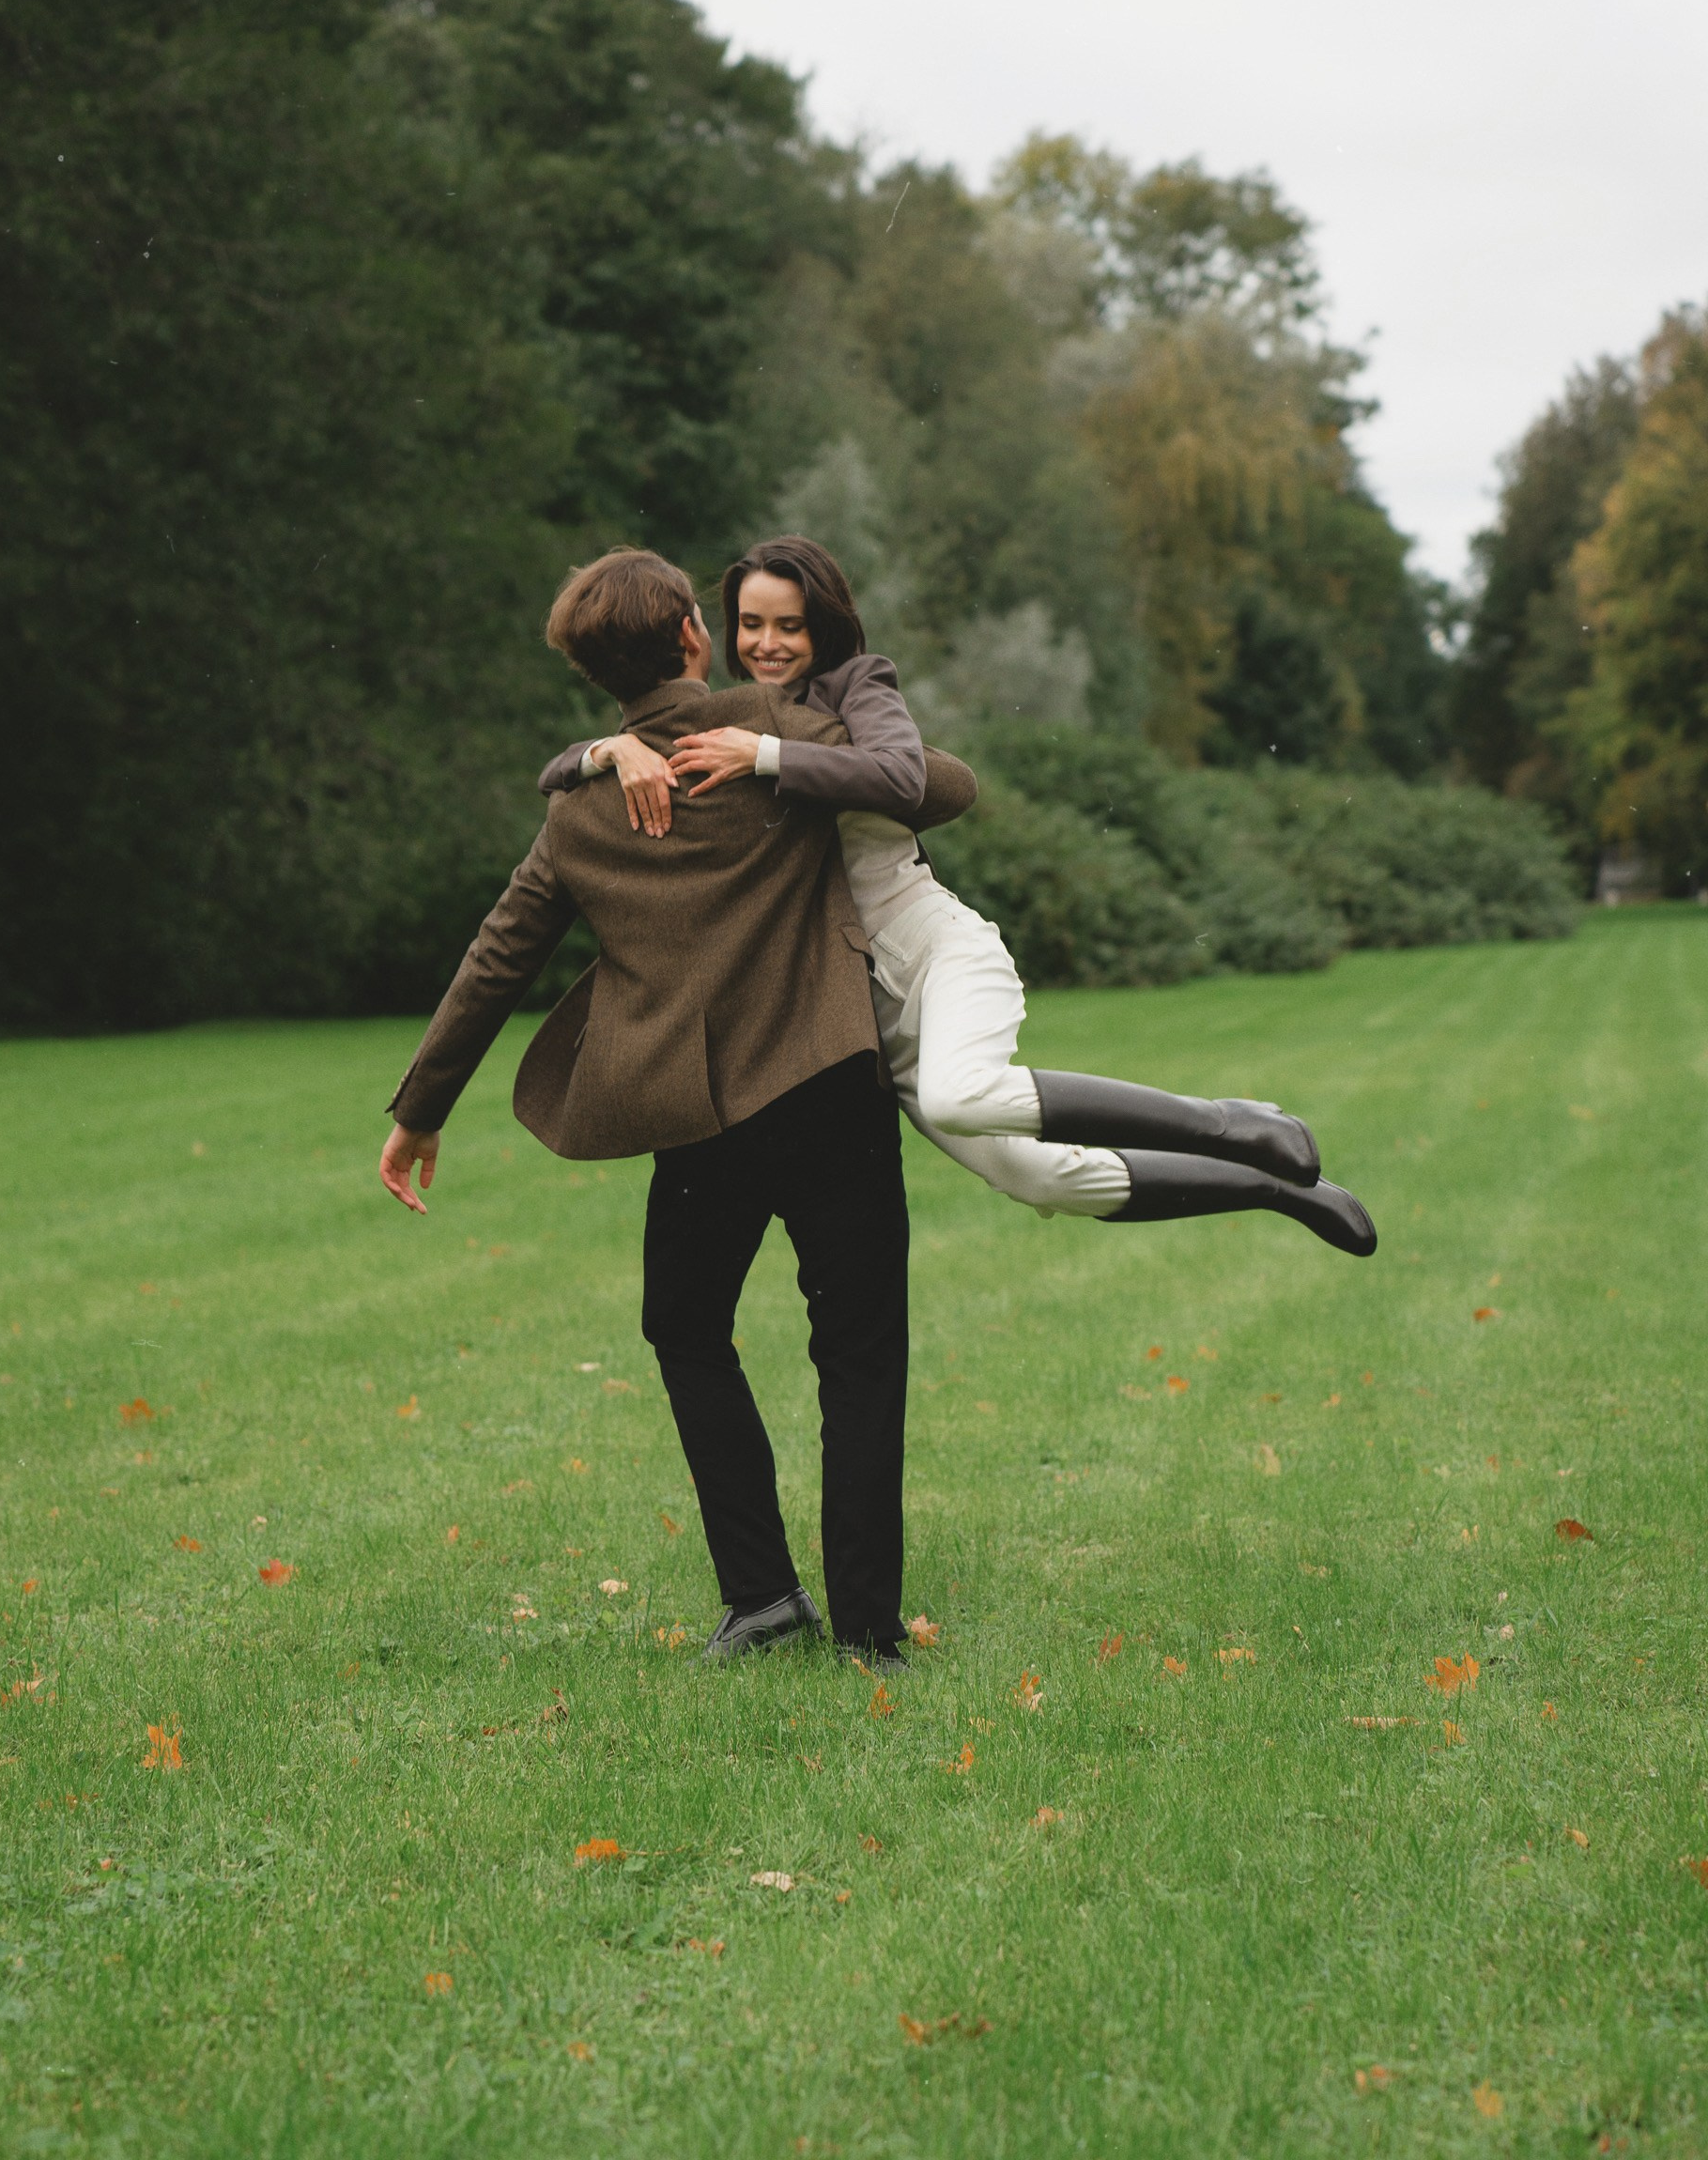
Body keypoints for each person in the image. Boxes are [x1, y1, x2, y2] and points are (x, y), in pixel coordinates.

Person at [379, 548, 976, 1673]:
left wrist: (421, 1108)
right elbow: (939, 786)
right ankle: (865, 1631)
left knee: (686, 1329)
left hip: (703, 1121)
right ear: (696, 637)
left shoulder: (582, 805)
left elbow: (499, 955)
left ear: (593, 669)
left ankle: (758, 1595)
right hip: (825, 1085)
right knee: (857, 1353)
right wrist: (777, 752)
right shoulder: (780, 723)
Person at [539, 535, 1376, 1257]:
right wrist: (603, 753)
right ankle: (1273, 1190)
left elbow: (908, 775)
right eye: (750, 624)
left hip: (934, 950)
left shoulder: (855, 689)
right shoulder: (721, 719)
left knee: (960, 1094)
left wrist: (768, 757)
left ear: (822, 624)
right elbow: (567, 772)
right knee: (1043, 1176)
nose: (766, 643)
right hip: (866, 1010)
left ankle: (1229, 1122)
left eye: (789, 625)